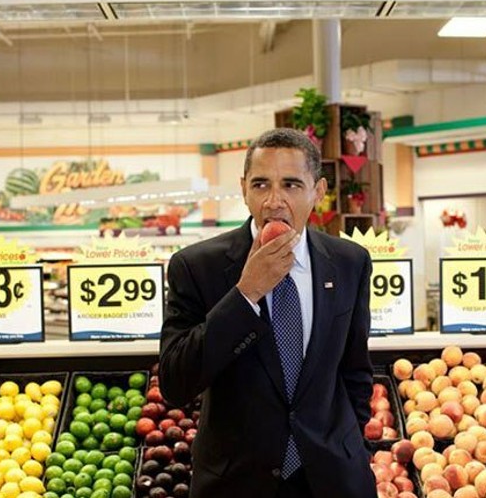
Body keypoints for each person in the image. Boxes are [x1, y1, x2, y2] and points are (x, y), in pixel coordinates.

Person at [159, 128, 375, 498]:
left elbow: (354, 370)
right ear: (244, 189)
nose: (274, 201)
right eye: (261, 185)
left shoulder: (349, 262)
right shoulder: (196, 267)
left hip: (333, 478)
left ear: (318, 192)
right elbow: (176, 382)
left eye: (291, 185)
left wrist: (345, 444)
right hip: (236, 482)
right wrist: (246, 293)